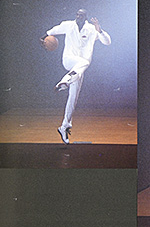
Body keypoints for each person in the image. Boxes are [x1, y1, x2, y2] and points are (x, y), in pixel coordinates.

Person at [44, 9, 111, 144]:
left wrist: (100, 30)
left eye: (82, 15)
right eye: (77, 14)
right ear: (75, 15)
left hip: (78, 70)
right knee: (84, 62)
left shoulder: (92, 29)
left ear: (85, 17)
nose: (79, 17)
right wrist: (44, 39)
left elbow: (107, 42)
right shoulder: (68, 25)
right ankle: (64, 82)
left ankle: (64, 126)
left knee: (73, 98)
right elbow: (51, 32)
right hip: (69, 61)